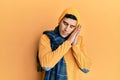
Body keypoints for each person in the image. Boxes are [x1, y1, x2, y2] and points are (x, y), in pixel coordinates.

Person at [38, 7, 92, 80]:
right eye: (65, 23)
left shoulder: (79, 40)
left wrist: (75, 45)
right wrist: (68, 42)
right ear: (60, 21)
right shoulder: (46, 38)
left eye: (72, 27)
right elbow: (46, 65)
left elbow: (86, 68)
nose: (66, 29)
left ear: (75, 28)